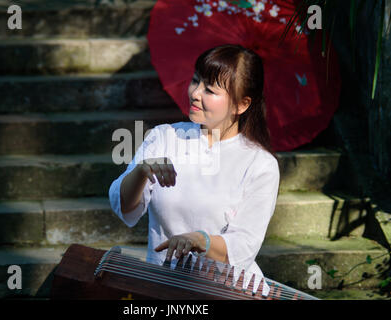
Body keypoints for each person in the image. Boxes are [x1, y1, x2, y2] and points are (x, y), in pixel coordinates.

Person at [108, 44, 280, 292]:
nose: (195, 93)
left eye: (210, 89)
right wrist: (141, 171)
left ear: (241, 105)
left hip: (225, 291)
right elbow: (125, 208)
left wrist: (201, 240)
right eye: (196, 81)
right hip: (163, 286)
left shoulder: (260, 164)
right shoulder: (164, 137)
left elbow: (244, 245)